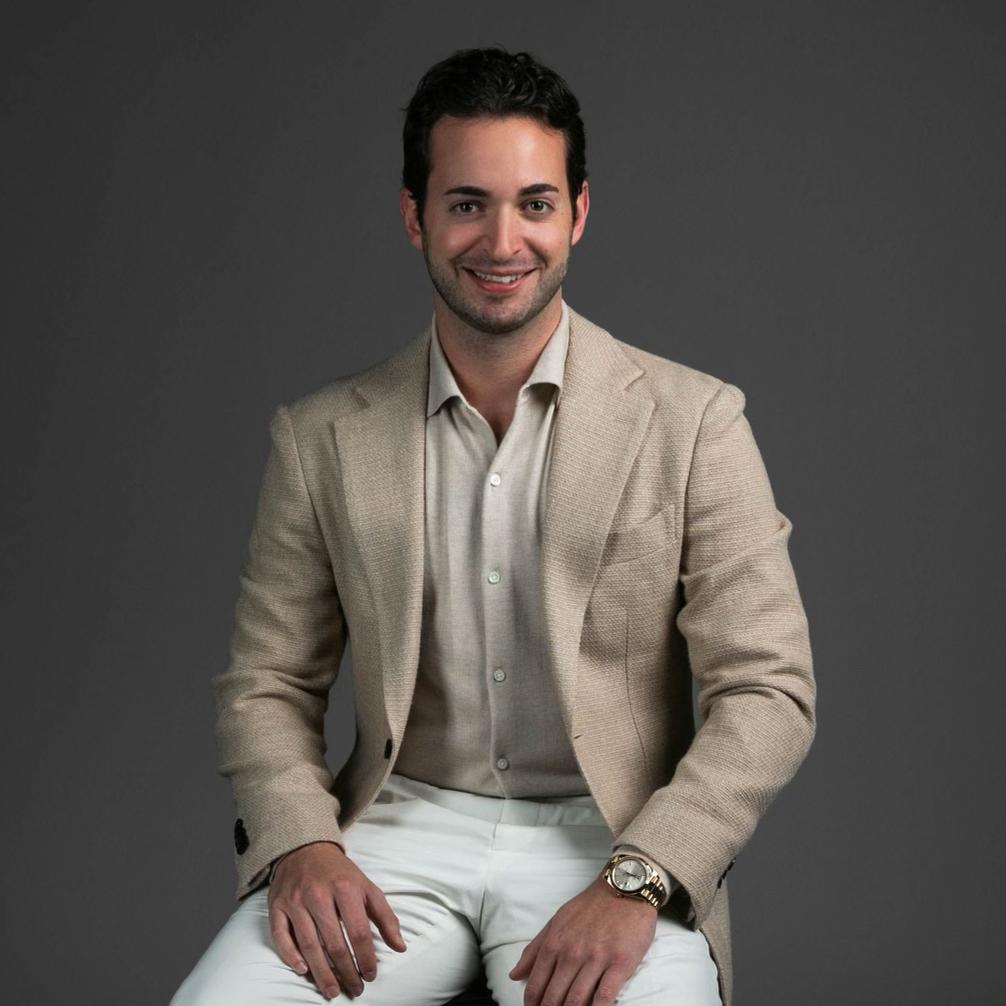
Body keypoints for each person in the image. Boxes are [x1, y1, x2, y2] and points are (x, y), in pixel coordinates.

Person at [170, 46, 816, 1006]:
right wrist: (301, 841)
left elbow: (768, 690)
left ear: (579, 213)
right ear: (414, 215)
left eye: (535, 203)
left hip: (610, 841)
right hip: (393, 834)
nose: (503, 240)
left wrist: (644, 874)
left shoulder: (695, 422)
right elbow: (268, 681)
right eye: (467, 203)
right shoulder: (320, 439)